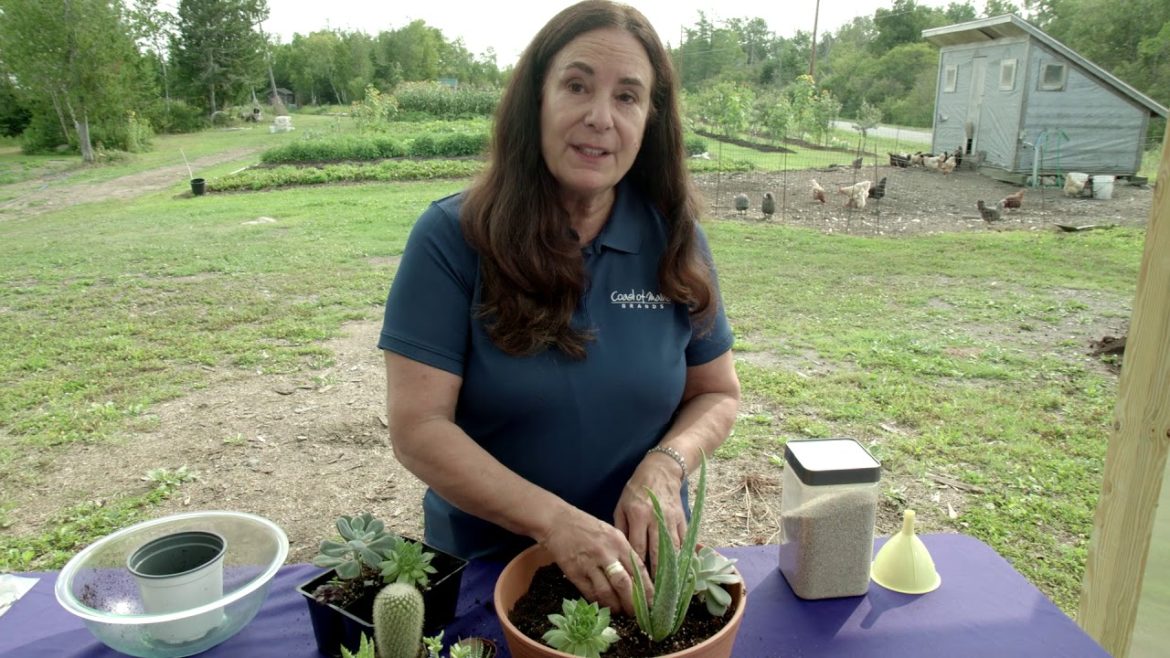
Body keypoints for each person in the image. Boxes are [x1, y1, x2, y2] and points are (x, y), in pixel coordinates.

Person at [378, 0, 739, 617]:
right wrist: (555, 522)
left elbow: (717, 394)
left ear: (650, 120)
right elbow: (419, 431)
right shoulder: (452, 237)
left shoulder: (674, 240)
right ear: (536, 100)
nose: (601, 118)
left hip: (635, 572)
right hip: (487, 570)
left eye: (627, 97)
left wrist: (665, 464)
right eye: (577, 85)